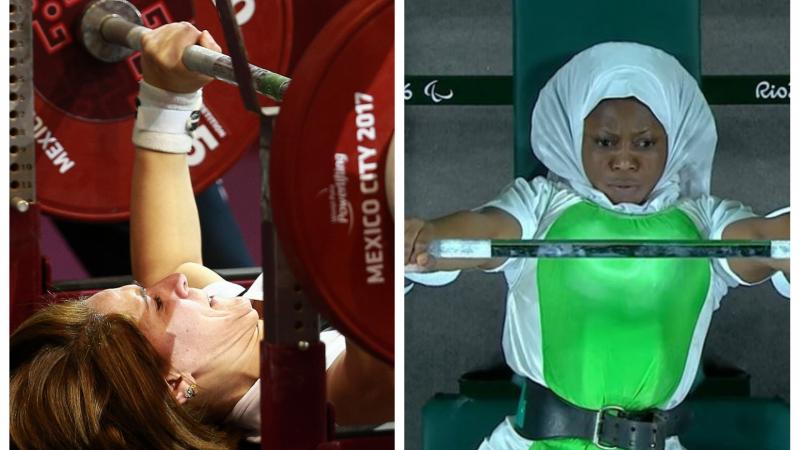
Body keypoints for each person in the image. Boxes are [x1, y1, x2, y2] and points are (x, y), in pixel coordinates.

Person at [10, 22, 393, 449]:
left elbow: (167, 262)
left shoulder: (223, 325)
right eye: (154, 302)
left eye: (142, 289)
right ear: (177, 387)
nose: (176, 284)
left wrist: (166, 93)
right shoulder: (310, 401)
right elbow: (375, 362)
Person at [405, 42, 789, 450]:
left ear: (672, 142)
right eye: (605, 142)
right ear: (576, 139)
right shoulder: (539, 207)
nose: (624, 161)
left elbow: (760, 240)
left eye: (645, 143)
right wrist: (428, 238)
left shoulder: (706, 222)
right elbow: (484, 230)